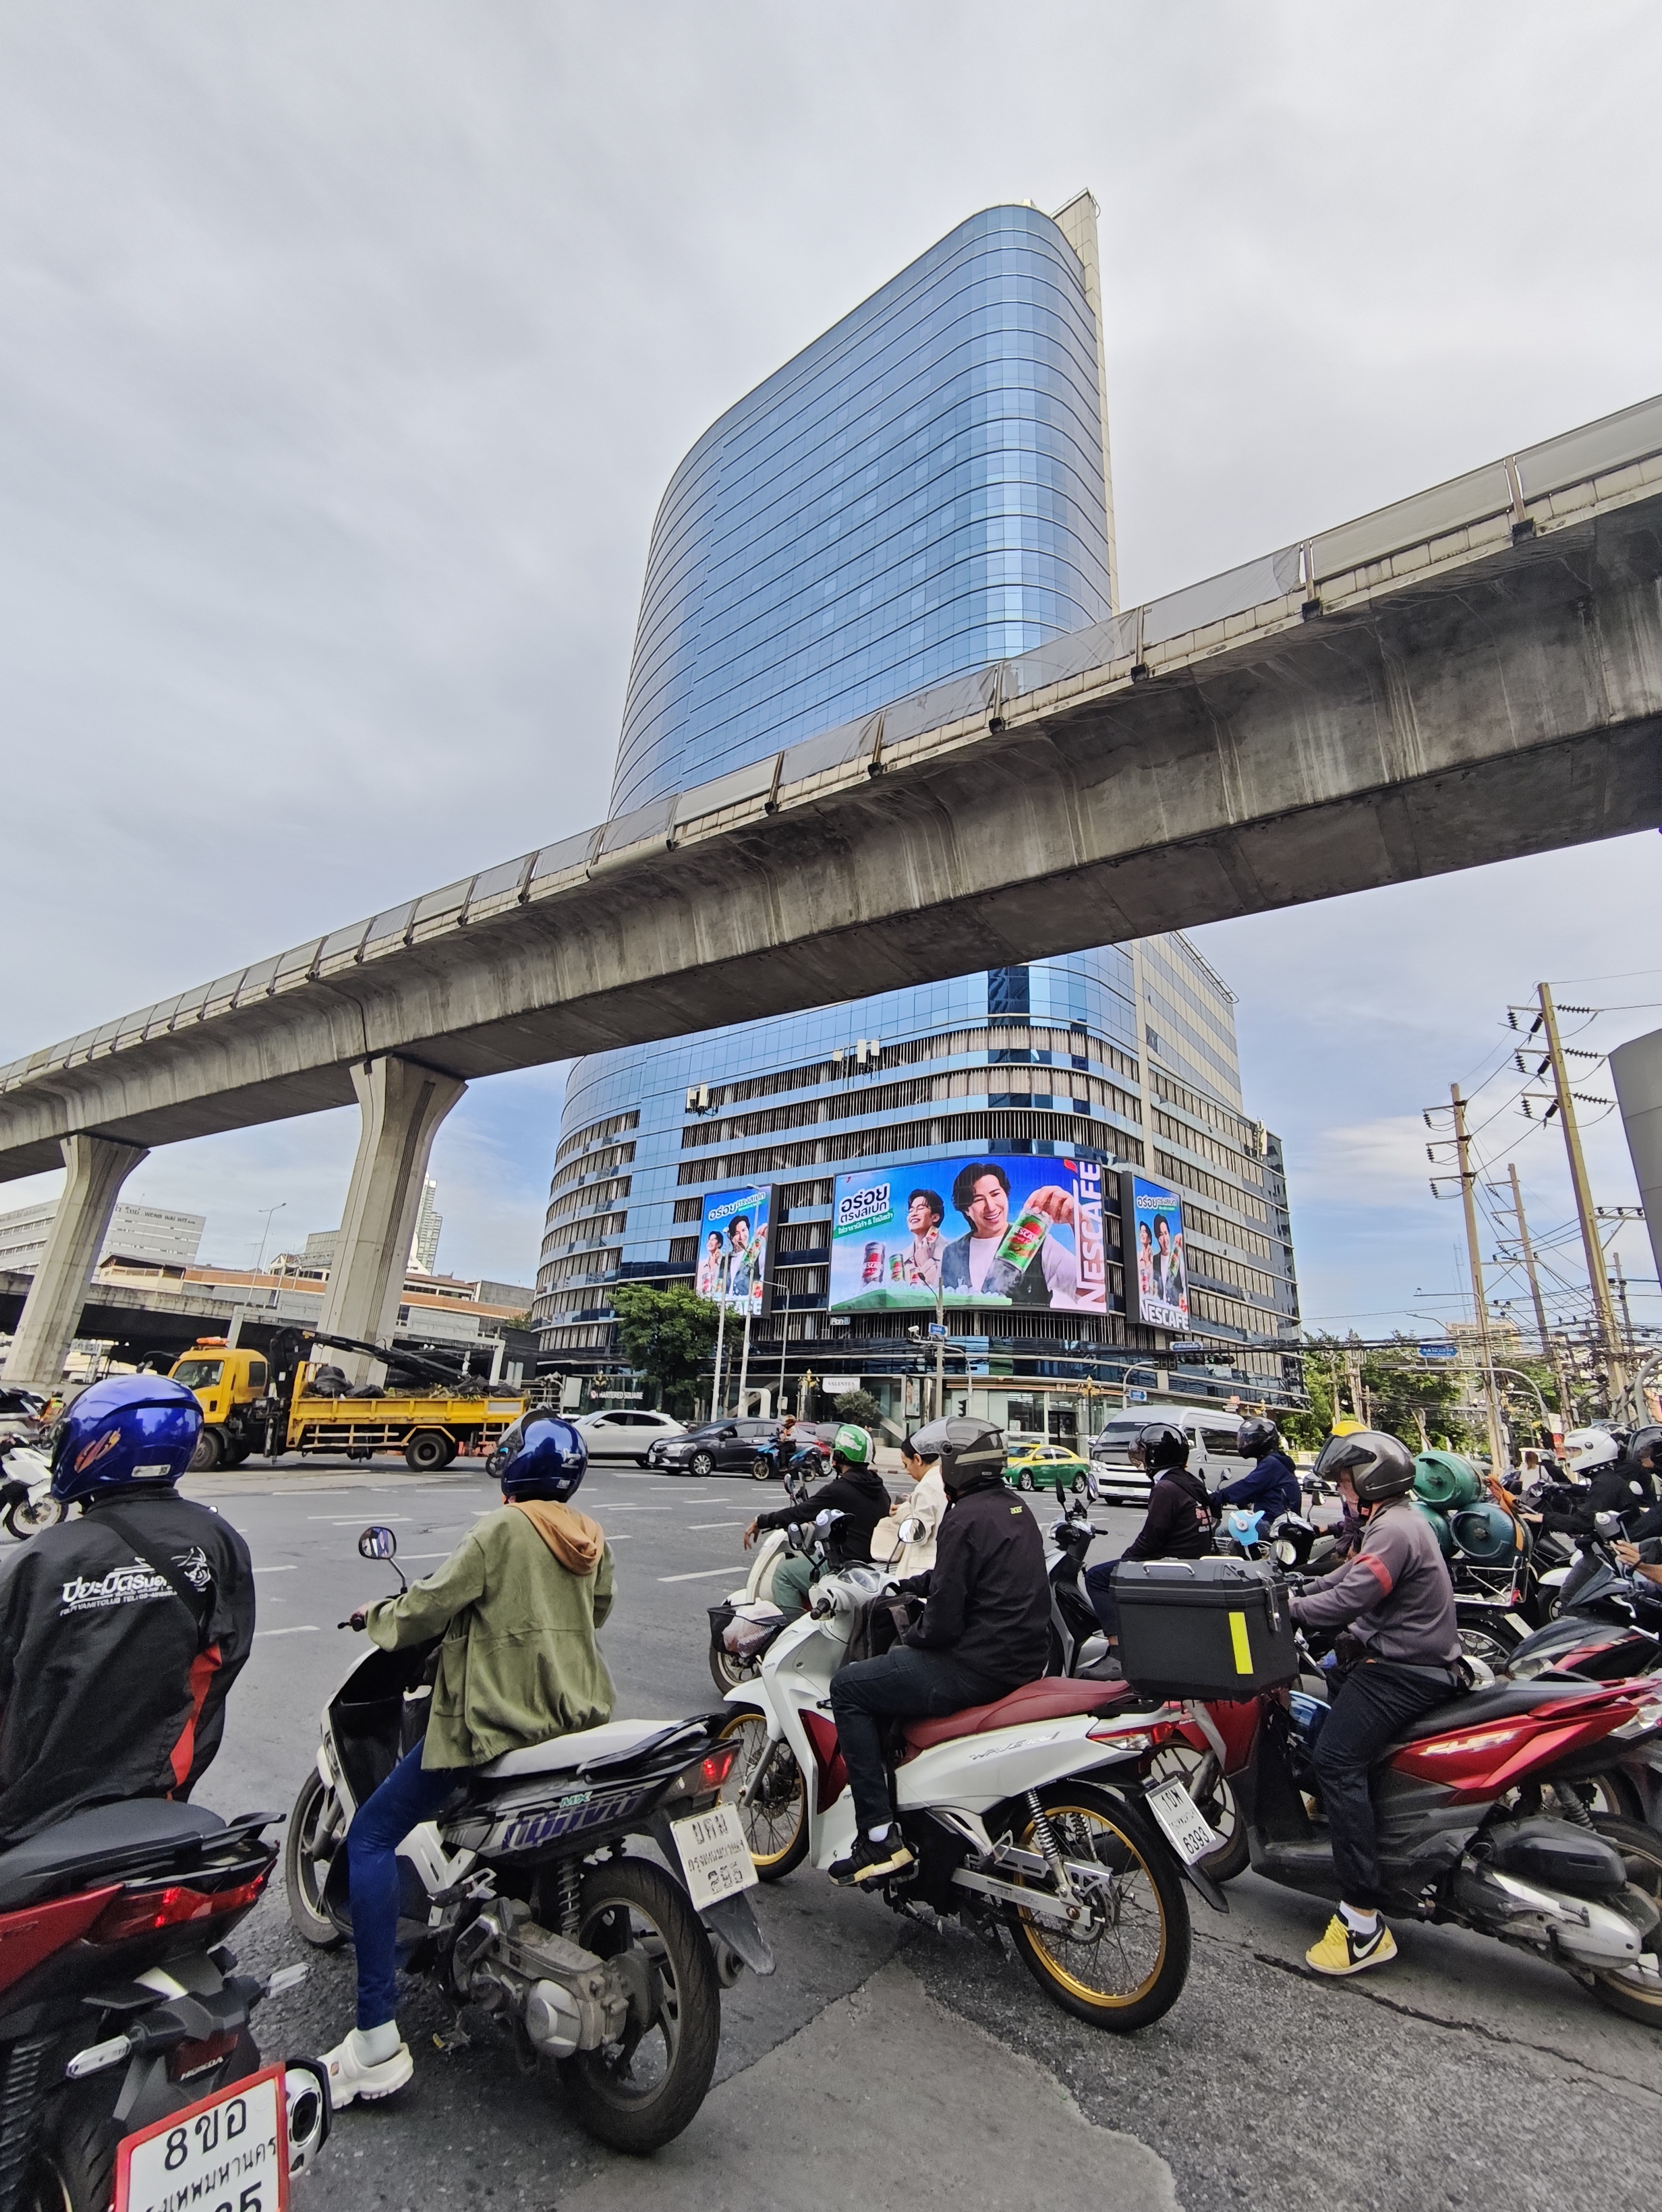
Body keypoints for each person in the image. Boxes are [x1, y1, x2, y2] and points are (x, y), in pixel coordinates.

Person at [323, 1415, 614, 2107]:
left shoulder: (501, 1530)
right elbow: (596, 1612)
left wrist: (376, 1615)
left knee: (370, 1836)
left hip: (495, 1724)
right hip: (572, 1720)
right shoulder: (590, 1536)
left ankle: (374, 2035)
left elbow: (428, 1607)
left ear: (514, 1468)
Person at [0, 1373, 254, 1845]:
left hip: (30, 1805)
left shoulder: (44, 1557)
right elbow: (221, 1666)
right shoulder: (219, 1542)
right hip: (157, 1791)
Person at [827, 1417, 1049, 1885]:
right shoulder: (1014, 1508)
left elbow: (942, 1625)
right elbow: (963, 1576)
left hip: (974, 1667)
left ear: (956, 1466)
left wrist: (909, 1639)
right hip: (1024, 1660)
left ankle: (878, 1836)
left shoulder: (963, 1517)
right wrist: (908, 1585)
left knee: (849, 1687)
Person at [1286, 1429, 1460, 1978]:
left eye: (1345, 1482)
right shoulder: (1392, 1522)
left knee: (1337, 1761)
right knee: (1331, 1704)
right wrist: (1291, 1587)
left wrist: (1286, 1610)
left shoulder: (1394, 1529)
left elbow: (1350, 1597)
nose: (1341, 1491)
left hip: (1402, 1672)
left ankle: (1362, 1920)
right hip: (1394, 1661)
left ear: (1370, 1481)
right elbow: (1344, 1575)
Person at [1083, 1420, 1213, 1650]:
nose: (1141, 1459)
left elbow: (1151, 1539)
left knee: (1096, 1577)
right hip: (1191, 1561)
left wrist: (1127, 1559)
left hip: (1169, 1563)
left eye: (1144, 1453)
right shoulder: (1190, 1481)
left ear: (1155, 1456)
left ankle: (1117, 1648)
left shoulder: (1165, 1488)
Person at [743, 1423, 888, 1618]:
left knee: (784, 1573)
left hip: (844, 1565)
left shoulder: (839, 1490)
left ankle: (790, 1629)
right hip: (870, 1567)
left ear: (839, 1456)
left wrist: (762, 1521)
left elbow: (798, 1513)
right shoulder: (879, 1489)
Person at [938, 1161, 1083, 1309]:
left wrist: (1080, 1222)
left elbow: (1092, 1294)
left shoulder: (1035, 1241)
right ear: (966, 1210)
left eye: (996, 1194)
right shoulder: (951, 1252)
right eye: (979, 1200)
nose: (991, 1207)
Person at [876, 1430, 948, 1576]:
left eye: (906, 1464)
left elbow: (918, 1536)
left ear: (917, 1459)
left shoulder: (926, 1487)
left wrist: (903, 1512)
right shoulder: (945, 1480)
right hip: (940, 1561)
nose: (906, 1470)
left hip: (922, 1569)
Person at [1211, 1416, 1302, 1523]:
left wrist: (1218, 1497)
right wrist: (1241, 1500)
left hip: (1275, 1522)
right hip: (1278, 1519)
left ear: (1262, 1440)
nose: (1245, 1443)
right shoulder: (1275, 1460)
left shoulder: (1272, 1463)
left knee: (1223, 1531)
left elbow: (1248, 1485)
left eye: (1250, 1439)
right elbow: (1257, 1491)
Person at [902, 1189, 946, 1290]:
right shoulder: (902, 1257)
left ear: (935, 1217)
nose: (913, 1214)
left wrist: (926, 1263)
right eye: (911, 1211)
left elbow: (944, 1292)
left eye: (920, 1209)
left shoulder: (951, 1252)